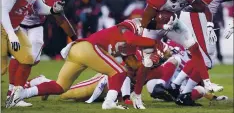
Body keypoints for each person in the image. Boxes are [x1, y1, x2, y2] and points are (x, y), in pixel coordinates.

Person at [6, 18, 164, 109]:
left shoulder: (129, 46)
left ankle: (21, 94)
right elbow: (132, 39)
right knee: (118, 72)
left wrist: (154, 61)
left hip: (79, 52)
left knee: (60, 87)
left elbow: (134, 66)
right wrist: (155, 43)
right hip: (87, 47)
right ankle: (109, 102)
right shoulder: (128, 27)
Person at [133, 0, 217, 109]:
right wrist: (162, 24)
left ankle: (207, 82)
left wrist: (209, 24)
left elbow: (204, 8)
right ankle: (136, 95)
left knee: (194, 47)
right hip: (154, 27)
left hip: (173, 22)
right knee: (146, 63)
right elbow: (145, 23)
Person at [6, 0, 77, 107]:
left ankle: (28, 86)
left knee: (30, 59)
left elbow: (60, 19)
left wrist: (74, 37)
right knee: (17, 57)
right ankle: (13, 93)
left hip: (35, 27)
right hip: (18, 24)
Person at [1, 0, 48, 108]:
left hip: (13, 28)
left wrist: (53, 10)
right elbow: (3, 11)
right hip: (4, 27)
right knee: (1, 68)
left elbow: (39, 8)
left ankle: (15, 98)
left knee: (28, 58)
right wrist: (11, 34)